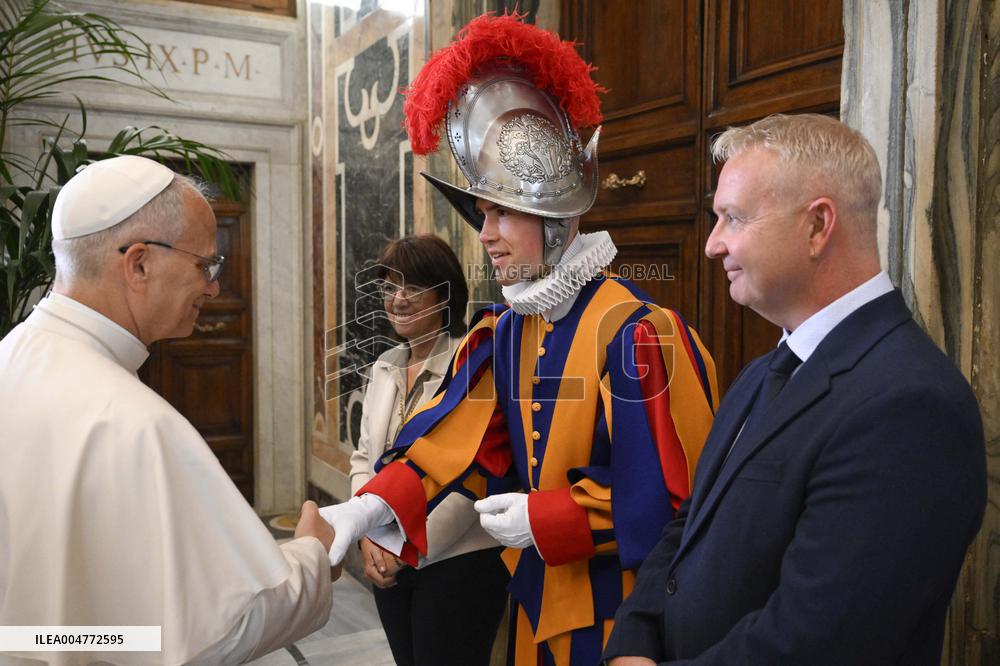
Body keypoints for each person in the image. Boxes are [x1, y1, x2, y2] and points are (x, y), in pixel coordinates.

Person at [320, 14, 718, 666]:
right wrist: (367, 512)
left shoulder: (640, 335)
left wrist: (548, 518)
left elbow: (677, 505)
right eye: (484, 214)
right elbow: (461, 448)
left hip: (623, 623)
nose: (486, 235)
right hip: (534, 608)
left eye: (502, 212)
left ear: (557, 218)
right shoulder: (506, 333)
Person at [603, 114, 987, 666]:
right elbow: (688, 529)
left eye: (733, 218)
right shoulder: (762, 373)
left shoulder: (911, 404)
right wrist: (632, 644)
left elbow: (823, 638)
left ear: (817, 226)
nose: (712, 245)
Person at [0, 155, 338, 665]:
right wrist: (312, 555)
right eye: (205, 265)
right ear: (139, 263)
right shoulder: (131, 422)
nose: (214, 287)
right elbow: (211, 636)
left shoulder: (12, 356)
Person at [351, 234, 508, 666]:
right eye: (388, 287)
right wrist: (366, 532)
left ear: (445, 294)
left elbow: (477, 473)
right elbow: (364, 458)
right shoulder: (385, 365)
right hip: (386, 553)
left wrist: (408, 548)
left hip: (458, 562)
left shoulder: (473, 364)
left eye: (412, 287)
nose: (397, 300)